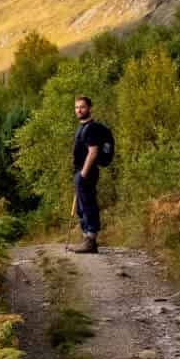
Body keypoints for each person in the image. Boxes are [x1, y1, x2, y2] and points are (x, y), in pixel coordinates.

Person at [70, 95, 112, 254]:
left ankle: (90, 240)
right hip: (81, 172)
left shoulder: (91, 128)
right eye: (76, 107)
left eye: (82, 107)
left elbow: (93, 152)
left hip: (86, 172)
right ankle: (86, 239)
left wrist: (83, 175)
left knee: (87, 205)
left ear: (89, 108)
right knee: (81, 206)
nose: (79, 110)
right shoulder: (83, 127)